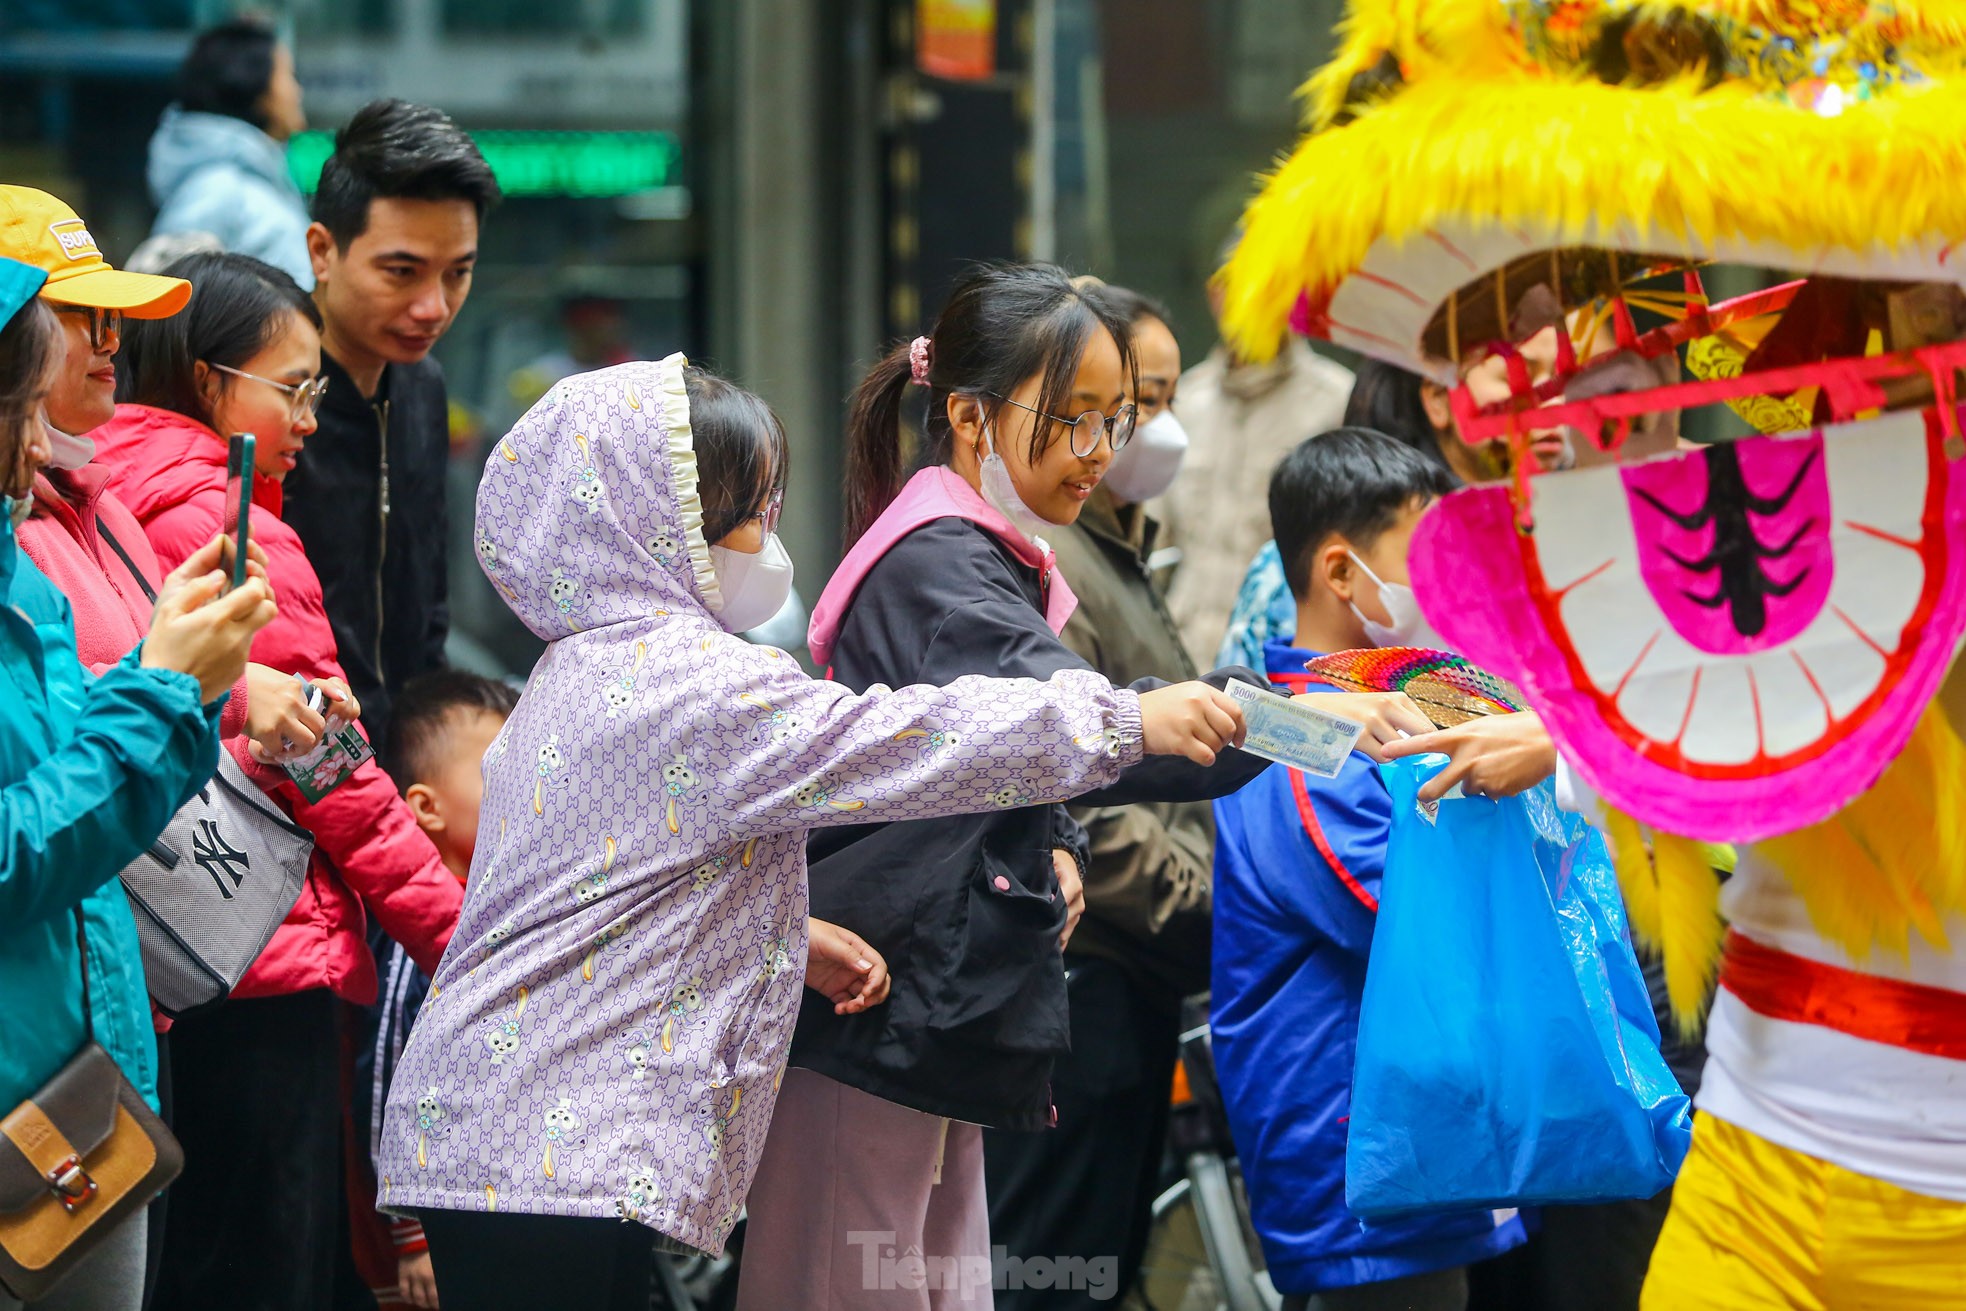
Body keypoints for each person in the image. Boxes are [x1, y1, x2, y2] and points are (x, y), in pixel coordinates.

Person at [370, 352, 1248, 1311]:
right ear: (660, 524)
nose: (767, 539)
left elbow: (605, 902)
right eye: (748, 513)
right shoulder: (695, 683)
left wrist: (785, 937)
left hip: (498, 1135)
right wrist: (1124, 722)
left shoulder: (573, 672)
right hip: (551, 1151)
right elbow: (910, 740)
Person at [745, 264, 1426, 1311]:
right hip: (886, 997)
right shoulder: (941, 561)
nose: (1103, 452)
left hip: (923, 1001)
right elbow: (1082, 718)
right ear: (971, 417)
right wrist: (1311, 721)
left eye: (1119, 418)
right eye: (1076, 420)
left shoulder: (978, 552)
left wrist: (1060, 831)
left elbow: (1037, 740)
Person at [96, 251, 464, 1311]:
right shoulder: (229, 524)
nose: (309, 417)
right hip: (260, 956)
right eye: (292, 387)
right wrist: (455, 936)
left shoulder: (101, 499)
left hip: (162, 964)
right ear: (211, 383)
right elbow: (334, 778)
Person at [0, 255, 276, 1311]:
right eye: (23, 407)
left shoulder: (24, 569)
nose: (40, 442)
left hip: (82, 1089)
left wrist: (178, 671)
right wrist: (164, 689)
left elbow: (71, 770)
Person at [1211, 429, 1526, 1311]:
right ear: (1342, 573)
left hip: (1406, 1132)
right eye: (1427, 557)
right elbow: (1394, 907)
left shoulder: (1379, 712)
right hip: (1359, 1145)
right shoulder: (1298, 731)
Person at [979, 281, 1212, 1311]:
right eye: (1112, 408)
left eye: (1147, 403)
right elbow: (1072, 788)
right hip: (1086, 971)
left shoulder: (1112, 541)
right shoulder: (1038, 556)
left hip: (1128, 975)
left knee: (1090, 1270)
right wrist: (1208, 904)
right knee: (1047, 1270)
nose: (1133, 433)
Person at [285, 98, 501, 739]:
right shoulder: (268, 394)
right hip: (293, 754)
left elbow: (428, 603)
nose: (433, 307)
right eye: (401, 272)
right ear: (323, 252)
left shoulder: (423, 386)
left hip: (404, 759)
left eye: (458, 273)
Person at [347, 670, 520, 1311]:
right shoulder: (411, 940)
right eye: (495, 768)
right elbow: (385, 1077)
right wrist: (411, 1233)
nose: (524, 786)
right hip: (431, 1224)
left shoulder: (491, 910)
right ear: (425, 806)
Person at [1151, 252, 1353, 667]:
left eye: (1271, 287)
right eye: (1240, 287)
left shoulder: (1337, 402)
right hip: (1181, 656)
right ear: (1215, 295)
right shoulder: (1186, 399)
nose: (1254, 301)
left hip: (1283, 661)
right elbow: (1155, 544)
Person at [146, 16, 313, 288]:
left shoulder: (249, 181)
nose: (298, 91)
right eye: (288, 76)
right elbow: (172, 311)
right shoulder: (217, 190)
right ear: (255, 86)